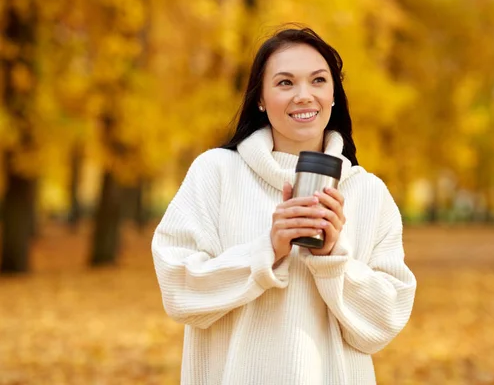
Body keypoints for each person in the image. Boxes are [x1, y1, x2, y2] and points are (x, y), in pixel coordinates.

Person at [151, 27, 417, 385]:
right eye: (285, 83)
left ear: (334, 94)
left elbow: (384, 321)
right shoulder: (215, 173)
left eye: (318, 80)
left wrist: (333, 259)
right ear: (260, 98)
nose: (304, 96)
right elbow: (178, 288)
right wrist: (267, 251)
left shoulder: (369, 193)